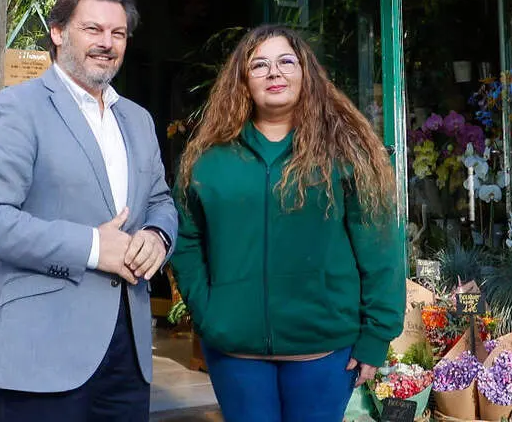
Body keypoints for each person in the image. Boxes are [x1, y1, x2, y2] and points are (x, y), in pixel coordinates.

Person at [0, 0, 177, 421]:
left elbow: (160, 199)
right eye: (93, 29)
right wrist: (94, 248)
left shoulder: (136, 119)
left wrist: (156, 235)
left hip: (127, 353)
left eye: (118, 34)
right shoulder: (16, 107)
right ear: (58, 33)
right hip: (41, 350)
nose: (106, 43)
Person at [171, 24, 404, 422]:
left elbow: (380, 245)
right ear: (243, 81)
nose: (273, 73)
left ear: (305, 73)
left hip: (325, 350)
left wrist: (376, 336)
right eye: (259, 65)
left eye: (285, 62)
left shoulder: (346, 151)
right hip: (235, 351)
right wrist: (209, 312)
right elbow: (186, 238)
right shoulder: (210, 159)